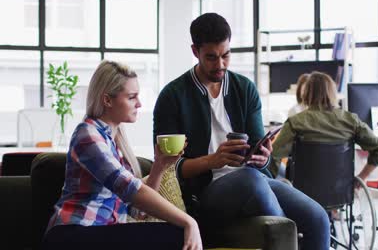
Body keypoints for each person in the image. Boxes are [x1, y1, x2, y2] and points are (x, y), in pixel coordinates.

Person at [153, 13, 330, 250]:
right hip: (205, 194)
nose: (220, 64)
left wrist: (263, 156)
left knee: (318, 218)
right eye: (211, 57)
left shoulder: (244, 88)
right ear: (195, 51)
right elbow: (168, 167)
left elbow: (259, 149)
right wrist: (213, 161)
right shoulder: (172, 96)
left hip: (255, 180)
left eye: (226, 55)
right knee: (252, 180)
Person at [43, 60, 202, 250]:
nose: (139, 103)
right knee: (178, 235)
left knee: (176, 234)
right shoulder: (88, 135)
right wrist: (188, 221)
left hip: (98, 233)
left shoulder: (113, 142)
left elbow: (137, 210)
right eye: (132, 97)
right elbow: (131, 189)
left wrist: (159, 165)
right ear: (107, 100)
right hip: (72, 234)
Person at [269, 71, 378, 183]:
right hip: (341, 193)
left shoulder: (295, 122)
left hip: (303, 195)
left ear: (306, 93)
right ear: (333, 93)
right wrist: (361, 178)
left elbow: (273, 155)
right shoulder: (351, 120)